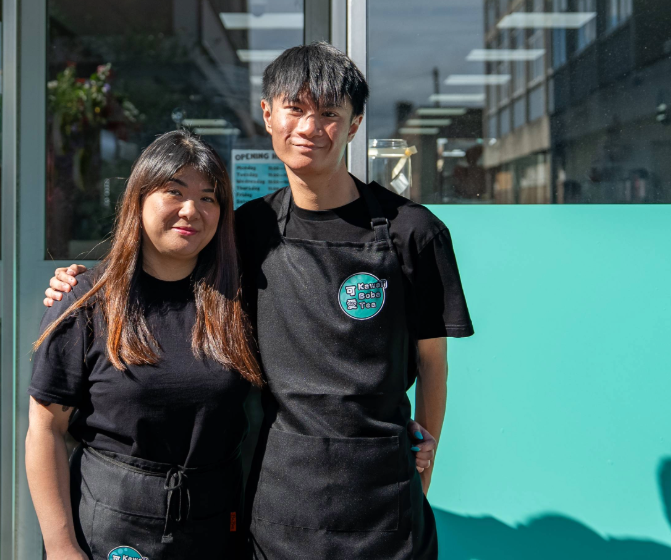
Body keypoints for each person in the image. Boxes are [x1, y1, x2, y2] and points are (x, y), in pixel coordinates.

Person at [45, 42, 470, 559]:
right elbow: (167, 267)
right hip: (278, 501)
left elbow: (433, 363)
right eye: (295, 108)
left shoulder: (413, 232)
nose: (310, 128)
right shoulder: (245, 230)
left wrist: (423, 461)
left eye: (330, 114)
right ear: (268, 115)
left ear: (355, 124)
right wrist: (85, 283)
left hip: (384, 498)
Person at [26, 131, 265, 560]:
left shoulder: (237, 302)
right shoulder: (85, 301)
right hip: (112, 526)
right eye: (174, 192)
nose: (191, 210)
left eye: (208, 198)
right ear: (138, 199)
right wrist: (61, 547)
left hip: (214, 526)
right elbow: (45, 430)